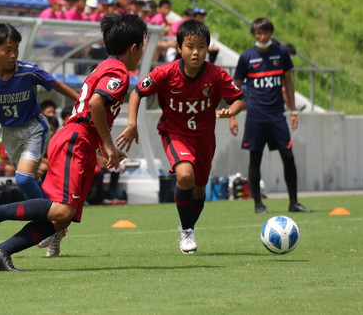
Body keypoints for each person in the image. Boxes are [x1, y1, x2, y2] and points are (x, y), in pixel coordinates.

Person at [0, 12, 146, 271]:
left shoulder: (105, 66)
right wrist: (108, 144)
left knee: (61, 217)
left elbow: (91, 107)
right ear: (134, 48)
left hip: (79, 139)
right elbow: (97, 103)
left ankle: (2, 251)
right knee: (61, 211)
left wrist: (101, 144)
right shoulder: (120, 72)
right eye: (142, 46)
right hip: (77, 139)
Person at [117, 20, 245, 254]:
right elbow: (137, 92)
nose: (195, 52)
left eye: (201, 46)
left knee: (198, 190)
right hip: (174, 133)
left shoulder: (216, 75)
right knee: (185, 175)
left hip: (204, 138)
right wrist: (133, 124)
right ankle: (187, 232)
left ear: (207, 48)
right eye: (190, 46)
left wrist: (232, 111)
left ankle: (187, 225)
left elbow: (239, 100)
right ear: (179, 48)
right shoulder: (165, 73)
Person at [0, 22, 79, 203]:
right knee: (30, 180)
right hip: (9, 134)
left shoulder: (28, 71)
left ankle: (50, 217)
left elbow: (56, 84)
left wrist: (81, 100)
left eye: (16, 49)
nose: (13, 55)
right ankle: (51, 216)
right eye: (7, 50)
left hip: (34, 128)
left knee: (24, 179)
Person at [228, 18, 312, 214]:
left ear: (271, 33)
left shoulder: (281, 53)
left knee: (288, 156)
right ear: (254, 35)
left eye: (265, 33)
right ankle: (258, 204)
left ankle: (293, 202)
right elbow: (234, 87)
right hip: (255, 117)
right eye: (258, 33)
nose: (262, 36)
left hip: (277, 116)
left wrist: (292, 111)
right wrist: (232, 116)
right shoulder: (246, 57)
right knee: (255, 159)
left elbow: (288, 84)